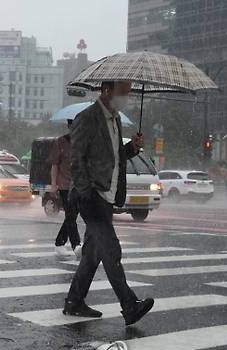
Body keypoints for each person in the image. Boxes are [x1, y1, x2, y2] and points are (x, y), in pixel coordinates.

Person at [64, 80, 154, 326]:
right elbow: (76, 159)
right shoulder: (88, 117)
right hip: (91, 196)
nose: (126, 97)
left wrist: (132, 148)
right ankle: (129, 306)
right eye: (123, 92)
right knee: (111, 250)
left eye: (128, 92)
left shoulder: (114, 119)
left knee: (93, 255)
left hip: (107, 195)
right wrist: (85, 193)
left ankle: (74, 301)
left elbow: (113, 158)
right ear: (106, 91)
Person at [51, 119, 81, 259]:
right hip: (64, 185)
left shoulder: (83, 142)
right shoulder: (60, 142)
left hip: (79, 185)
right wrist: (53, 184)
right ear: (69, 126)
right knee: (70, 215)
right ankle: (76, 245)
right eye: (72, 126)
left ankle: (59, 242)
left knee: (72, 215)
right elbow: (55, 164)